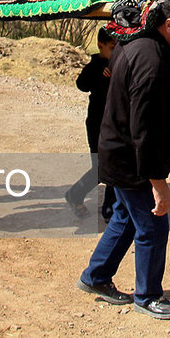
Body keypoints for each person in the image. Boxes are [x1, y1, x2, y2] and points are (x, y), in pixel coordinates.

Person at [77, 0, 170, 321]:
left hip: (122, 154)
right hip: (131, 160)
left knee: (125, 218)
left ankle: (96, 276)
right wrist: (158, 182)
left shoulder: (141, 44)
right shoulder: (150, 57)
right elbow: (143, 125)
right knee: (153, 226)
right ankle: (148, 295)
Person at [66, 27, 117, 221]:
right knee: (101, 167)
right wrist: (99, 72)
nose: (115, 51)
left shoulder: (118, 62)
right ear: (100, 46)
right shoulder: (96, 65)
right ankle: (75, 194)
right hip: (97, 123)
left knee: (113, 165)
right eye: (112, 47)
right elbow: (81, 84)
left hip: (115, 123)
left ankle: (109, 208)